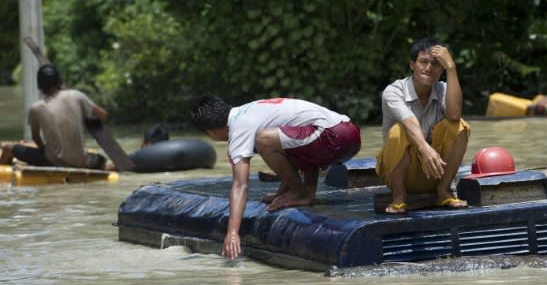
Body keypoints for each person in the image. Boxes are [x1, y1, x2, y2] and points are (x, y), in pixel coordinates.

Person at [189, 93, 361, 260]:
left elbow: (240, 185)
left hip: (333, 136)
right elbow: (297, 147)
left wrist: (232, 232)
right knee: (286, 139)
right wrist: (281, 193)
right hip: (348, 132)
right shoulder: (247, 110)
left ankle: (299, 192)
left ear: (211, 132)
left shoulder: (238, 127)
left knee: (264, 139)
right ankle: (306, 193)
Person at [375, 37, 471, 213]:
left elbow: (455, 115)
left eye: (436, 64)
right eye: (423, 62)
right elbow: (409, 122)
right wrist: (425, 149)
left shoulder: (442, 89)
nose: (429, 68)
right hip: (399, 172)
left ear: (441, 69)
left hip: (434, 170)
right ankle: (399, 196)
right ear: (412, 64)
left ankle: (443, 190)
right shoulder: (394, 91)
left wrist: (451, 68)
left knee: (459, 126)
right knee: (399, 131)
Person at [12, 64, 107, 170]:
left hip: (53, 161)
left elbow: (36, 137)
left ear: (39, 85)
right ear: (59, 81)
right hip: (82, 161)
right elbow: (103, 114)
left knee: (15, 149)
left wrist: (45, 149)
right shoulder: (76, 95)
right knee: (101, 159)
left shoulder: (36, 108)